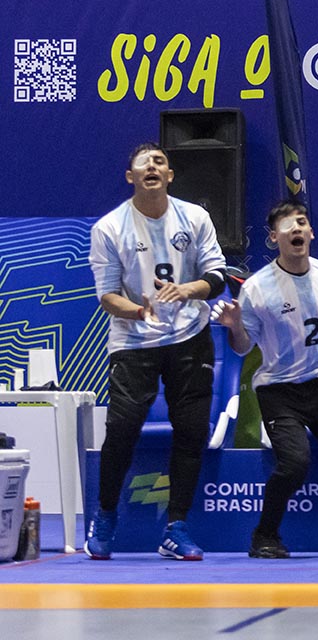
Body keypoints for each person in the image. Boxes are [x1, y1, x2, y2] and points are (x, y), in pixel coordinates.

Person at [85, 143, 227, 561]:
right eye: (144, 163)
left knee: (190, 431)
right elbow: (107, 295)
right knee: (122, 432)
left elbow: (218, 275)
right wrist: (139, 309)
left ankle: (177, 526)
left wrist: (188, 289)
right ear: (130, 177)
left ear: (170, 176)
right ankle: (106, 515)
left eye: (160, 162)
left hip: (190, 336)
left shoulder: (195, 217)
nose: (153, 166)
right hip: (134, 342)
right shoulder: (110, 228)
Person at [213, 200, 318, 559]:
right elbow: (242, 349)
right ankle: (264, 536)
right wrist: (235, 325)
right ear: (274, 238)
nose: (297, 229)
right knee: (294, 463)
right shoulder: (256, 288)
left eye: (302, 223)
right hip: (280, 390)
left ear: (311, 233)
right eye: (287, 226)